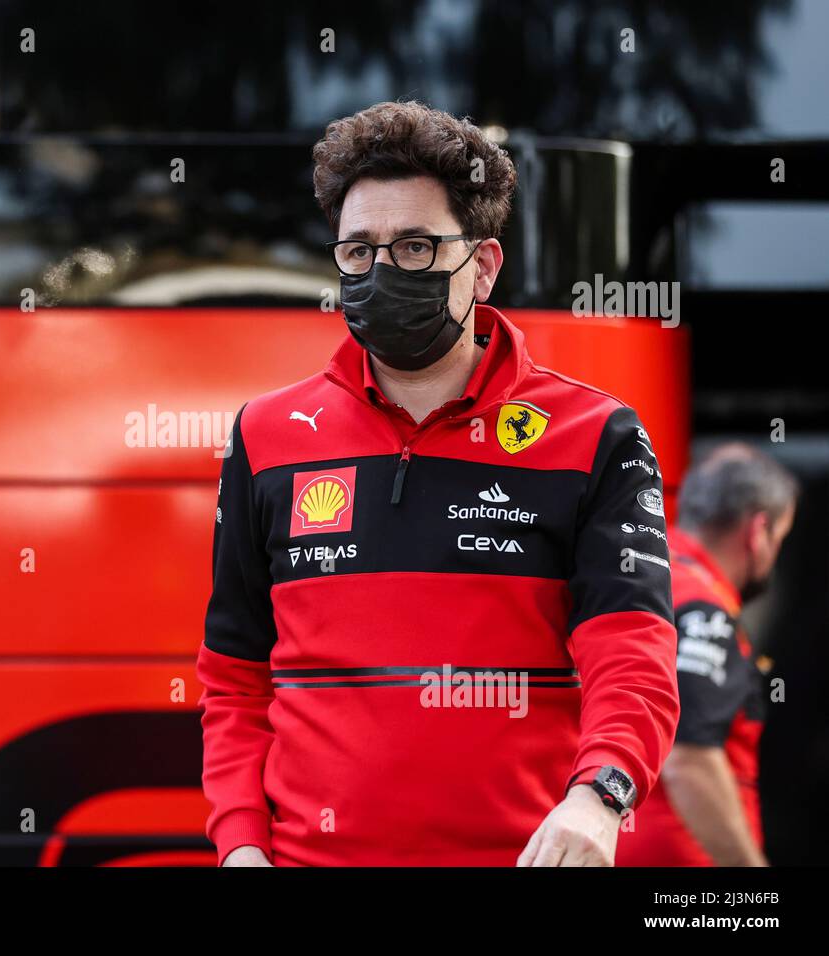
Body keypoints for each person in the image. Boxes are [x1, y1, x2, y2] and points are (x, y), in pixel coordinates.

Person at [197, 100, 680, 866]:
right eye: (359, 251)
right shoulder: (266, 435)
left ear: (482, 266)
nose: (383, 272)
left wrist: (601, 798)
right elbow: (234, 675)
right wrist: (239, 846)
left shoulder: (597, 437)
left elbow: (632, 651)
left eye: (417, 248)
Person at [617, 444, 797, 866]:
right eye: (780, 538)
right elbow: (690, 757)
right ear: (758, 532)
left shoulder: (638, 579)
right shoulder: (703, 610)